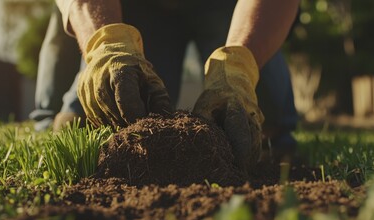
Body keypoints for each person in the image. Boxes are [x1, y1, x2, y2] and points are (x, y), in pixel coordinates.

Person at [35, 0, 300, 172]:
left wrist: (240, 66)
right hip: (141, 7)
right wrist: (106, 45)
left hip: (226, 6)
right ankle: (48, 114)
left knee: (258, 124)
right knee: (101, 111)